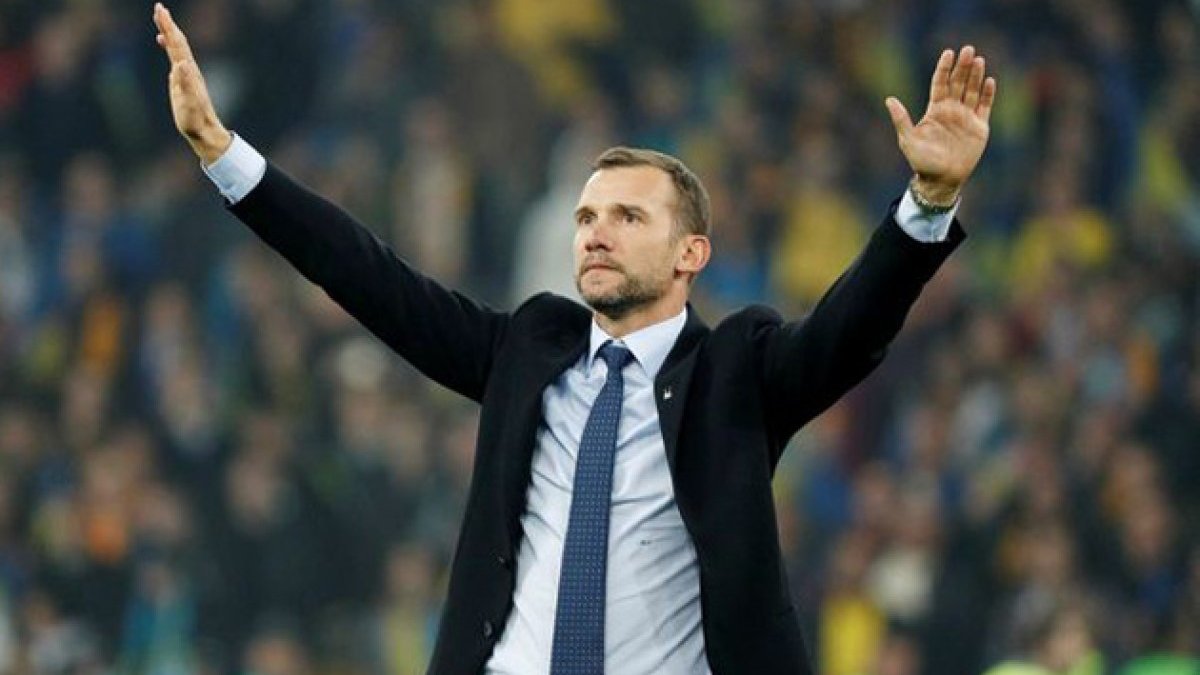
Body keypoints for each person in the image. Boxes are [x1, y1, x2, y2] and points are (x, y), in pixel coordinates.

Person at [152, 3, 996, 673]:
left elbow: (851, 331)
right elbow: (370, 276)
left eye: (628, 216)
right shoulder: (527, 349)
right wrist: (224, 155)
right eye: (588, 216)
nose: (595, 232)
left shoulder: (735, 373)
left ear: (691, 254)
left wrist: (926, 202)